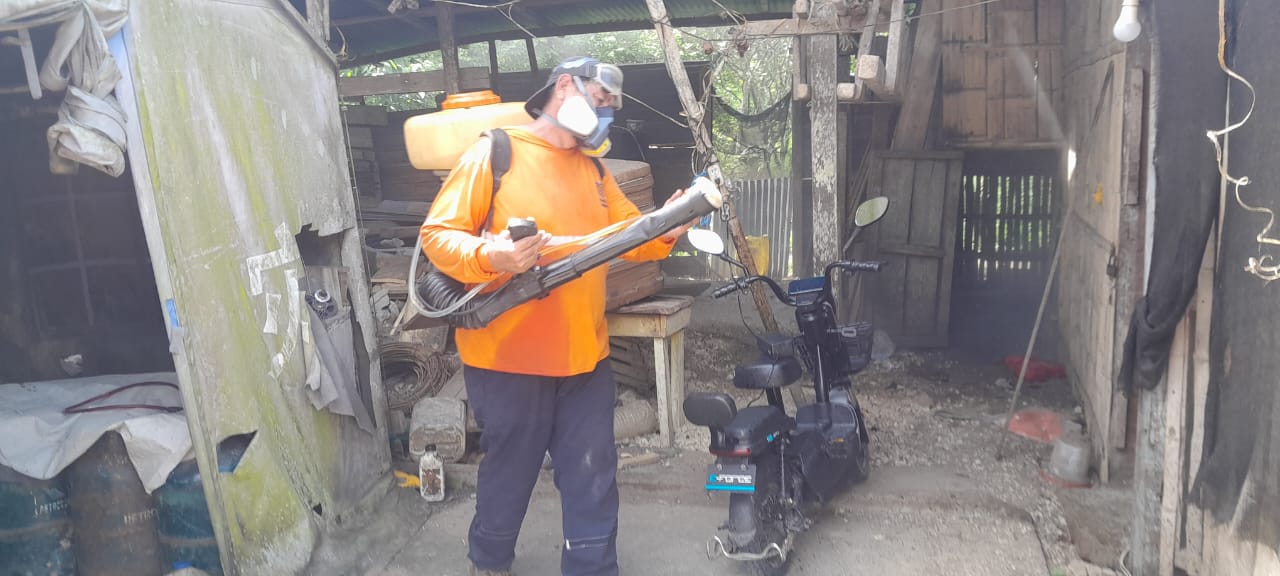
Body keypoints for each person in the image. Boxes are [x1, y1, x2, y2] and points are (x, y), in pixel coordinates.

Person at [419, 57, 696, 576]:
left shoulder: (595, 171)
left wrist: (668, 227)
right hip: (508, 359)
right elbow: (437, 235)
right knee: (510, 471)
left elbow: (630, 237)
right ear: (565, 86)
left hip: (585, 358)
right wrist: (495, 256)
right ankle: (489, 561)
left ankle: (592, 568)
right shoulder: (496, 153)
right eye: (601, 99)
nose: (607, 113)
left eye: (612, 106)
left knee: (594, 473)